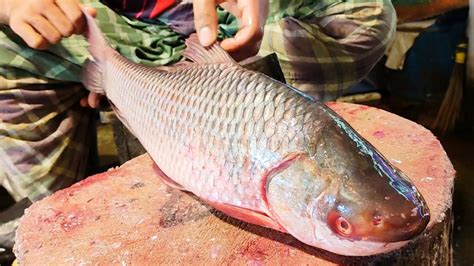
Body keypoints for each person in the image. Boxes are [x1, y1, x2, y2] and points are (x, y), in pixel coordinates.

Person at [0, 0, 395, 259]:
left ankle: (153, 94)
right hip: (92, 19)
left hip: (220, 19)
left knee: (372, 12)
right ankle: (127, 89)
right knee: (47, 223)